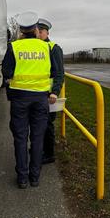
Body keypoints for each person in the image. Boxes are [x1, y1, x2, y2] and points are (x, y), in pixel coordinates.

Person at [2, 11, 61, 189]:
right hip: (40, 99)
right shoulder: (47, 48)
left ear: (21, 30)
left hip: (20, 99)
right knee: (37, 138)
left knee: (20, 138)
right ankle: (34, 178)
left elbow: (6, 72)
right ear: (36, 29)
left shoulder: (14, 47)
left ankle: (22, 179)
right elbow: (55, 72)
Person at [38, 18, 64, 164]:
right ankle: (39, 148)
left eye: (42, 31)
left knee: (47, 125)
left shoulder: (54, 48)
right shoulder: (35, 48)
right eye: (38, 31)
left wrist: (55, 92)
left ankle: (49, 154)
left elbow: (60, 73)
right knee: (38, 123)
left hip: (49, 94)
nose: (39, 34)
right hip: (37, 92)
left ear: (47, 32)